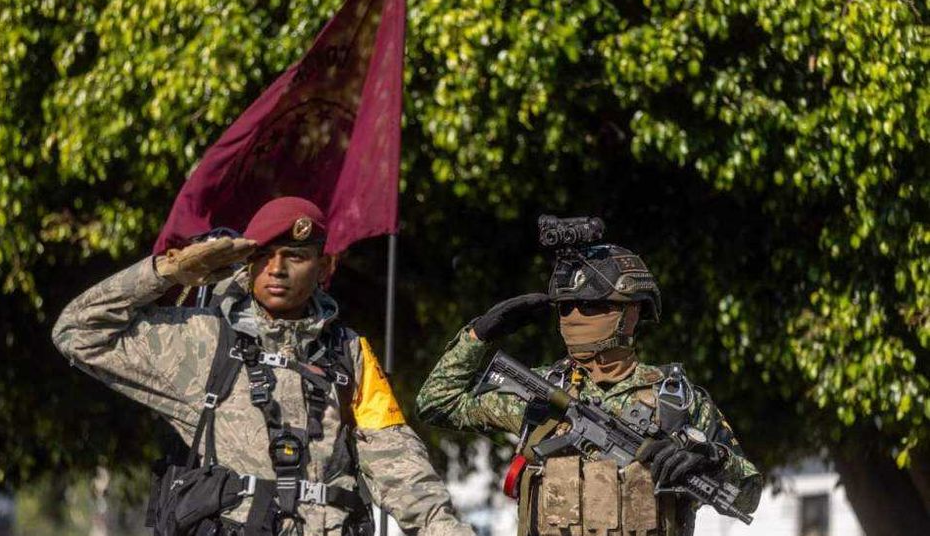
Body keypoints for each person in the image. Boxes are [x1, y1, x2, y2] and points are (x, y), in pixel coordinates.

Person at [53, 196, 474, 536]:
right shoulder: (201, 340)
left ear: (325, 266)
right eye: (264, 255)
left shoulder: (350, 353)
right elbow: (77, 331)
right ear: (247, 261)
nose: (277, 269)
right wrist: (167, 271)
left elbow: (395, 458)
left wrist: (444, 528)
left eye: (294, 256)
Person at [416, 217, 761, 536]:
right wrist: (479, 337)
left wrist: (713, 459)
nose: (576, 316)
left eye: (592, 306)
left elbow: (747, 498)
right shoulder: (542, 395)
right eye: (566, 307)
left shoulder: (676, 399)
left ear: (631, 312)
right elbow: (436, 402)